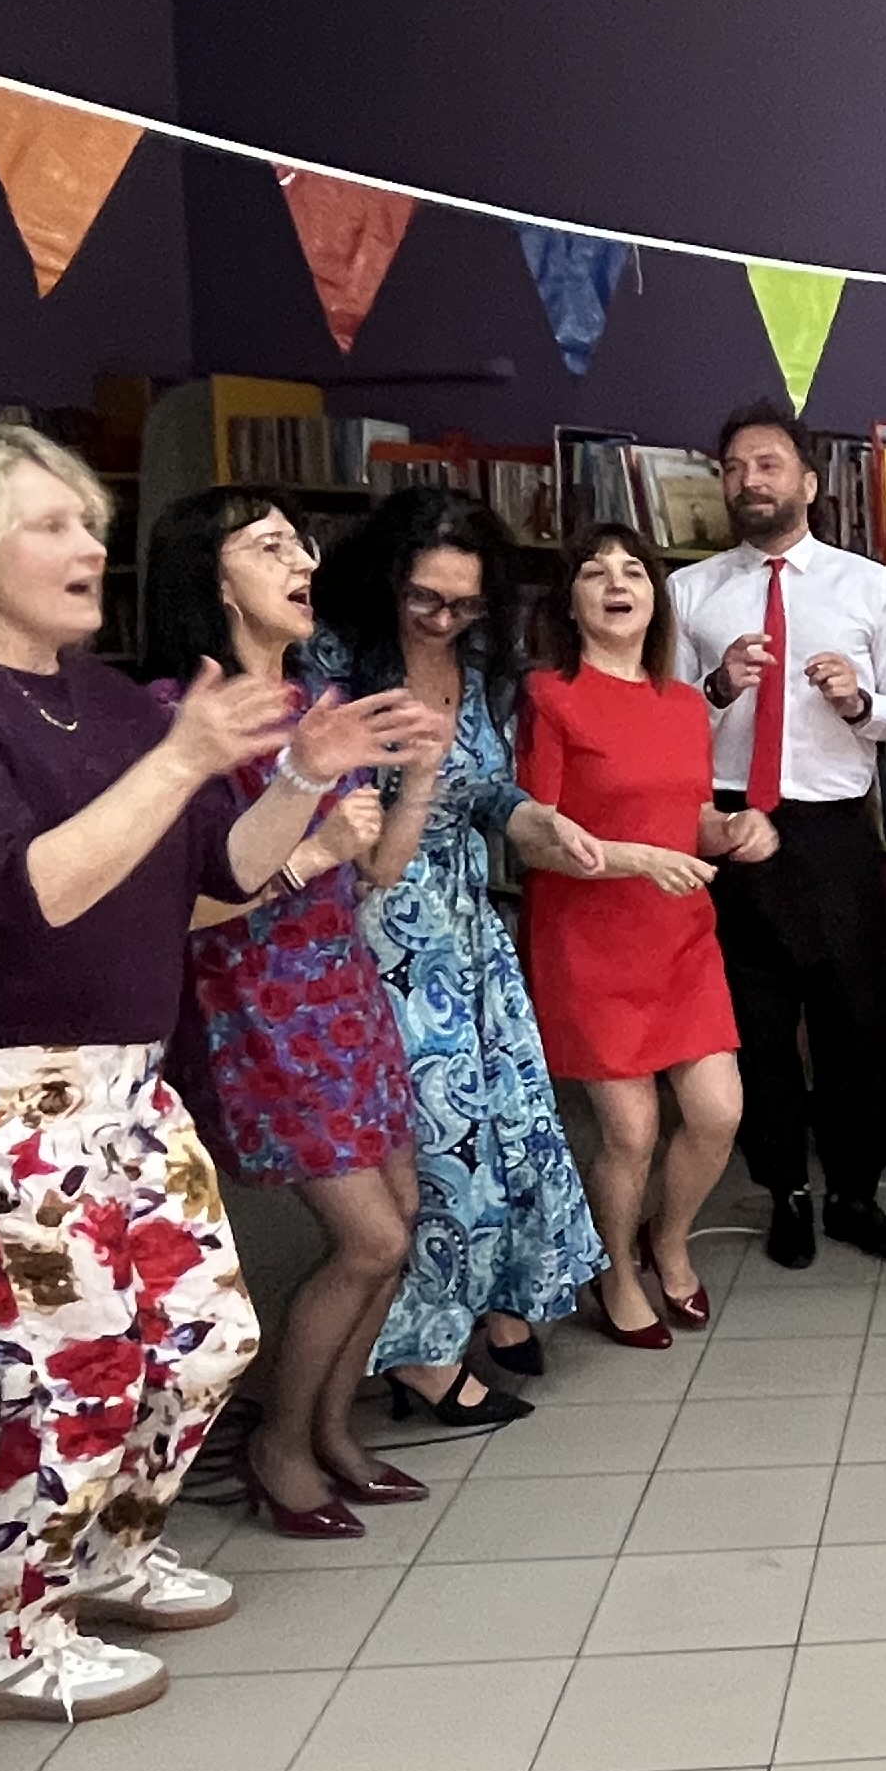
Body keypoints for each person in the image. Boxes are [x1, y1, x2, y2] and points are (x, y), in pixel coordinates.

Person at [0, 425, 428, 1722]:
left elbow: (228, 868)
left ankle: (108, 1550)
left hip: (120, 1074)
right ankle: (8, 1637)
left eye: (90, 522)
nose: (88, 546)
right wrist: (183, 759)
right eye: (50, 524)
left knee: (208, 1337)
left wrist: (300, 776)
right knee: (80, 1362)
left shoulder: (94, 696)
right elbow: (33, 892)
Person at [146, 489, 443, 1540]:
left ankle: (327, 1429)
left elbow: (376, 869)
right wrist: (312, 853)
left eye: (300, 543)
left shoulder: (320, 701)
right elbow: (174, 903)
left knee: (399, 1223)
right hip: (257, 1007)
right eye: (269, 545)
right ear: (212, 577)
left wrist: (418, 777)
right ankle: (276, 1444)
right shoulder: (174, 715)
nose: (302, 560)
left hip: (343, 988)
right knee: (368, 1238)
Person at [304, 492, 609, 1425]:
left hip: (467, 926)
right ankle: (419, 1355)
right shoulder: (334, 663)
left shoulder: (478, 665)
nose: (443, 620)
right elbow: (332, 817)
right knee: (442, 1152)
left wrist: (534, 816)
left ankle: (489, 1305)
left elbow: (486, 791)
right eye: (425, 600)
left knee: (514, 1130)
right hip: (377, 930)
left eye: (465, 605)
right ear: (387, 580)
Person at [669, 401, 886, 1269]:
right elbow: (659, 725)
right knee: (758, 1028)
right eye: (735, 467)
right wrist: (715, 688)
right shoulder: (689, 593)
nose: (750, 481)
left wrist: (861, 703)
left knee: (854, 1020)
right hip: (730, 825)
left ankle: (855, 1193)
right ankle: (784, 1188)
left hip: (831, 832)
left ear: (809, 483)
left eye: (768, 464)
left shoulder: (869, 585)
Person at [522, 522, 775, 1344]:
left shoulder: (682, 702)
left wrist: (731, 830)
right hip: (589, 941)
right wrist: (636, 859)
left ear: (656, 598)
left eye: (633, 571)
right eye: (595, 572)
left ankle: (668, 1239)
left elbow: (689, 817)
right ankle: (616, 1272)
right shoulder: (548, 696)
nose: (616, 584)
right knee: (630, 1133)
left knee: (718, 1113)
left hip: (680, 938)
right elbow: (536, 837)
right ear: (570, 601)